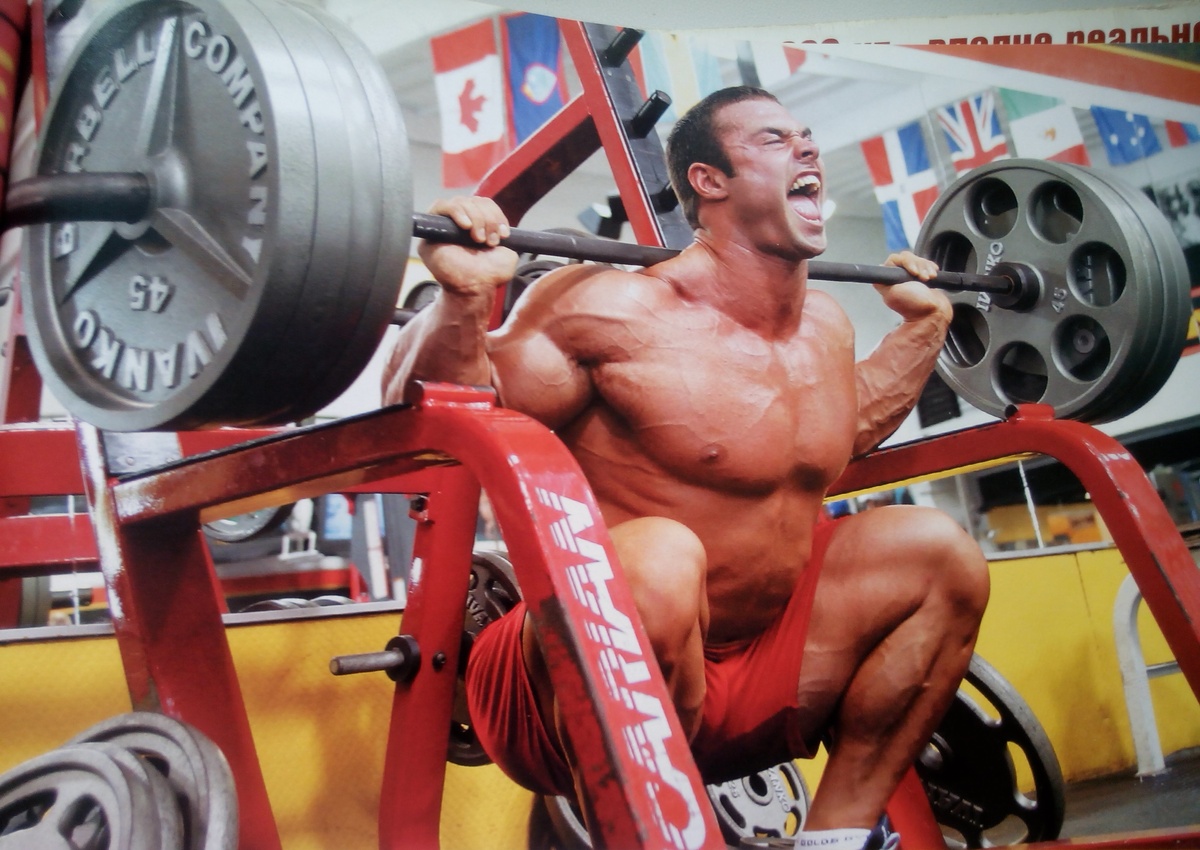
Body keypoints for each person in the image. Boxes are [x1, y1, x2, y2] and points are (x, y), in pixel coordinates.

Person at [382, 85, 990, 850]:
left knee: (937, 553)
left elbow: (844, 426)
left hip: (760, 673)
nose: (805, 146)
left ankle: (837, 838)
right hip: (576, 678)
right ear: (709, 180)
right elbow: (433, 423)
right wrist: (461, 301)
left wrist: (925, 328)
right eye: (773, 139)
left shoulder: (827, 328)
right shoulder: (613, 311)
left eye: (805, 135)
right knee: (661, 558)